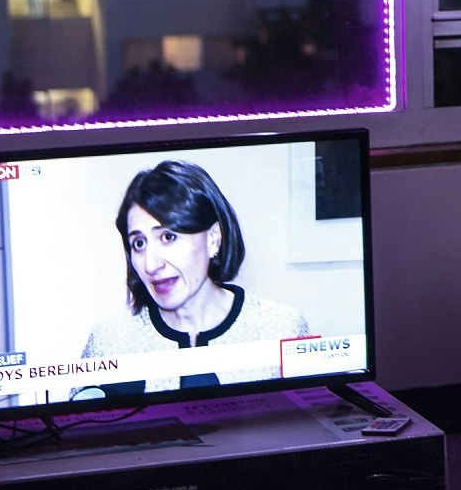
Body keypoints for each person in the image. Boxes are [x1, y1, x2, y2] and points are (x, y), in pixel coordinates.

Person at [81, 160, 310, 392]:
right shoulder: (108, 342)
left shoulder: (281, 328)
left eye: (168, 237)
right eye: (139, 243)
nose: (151, 264)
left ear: (213, 239)